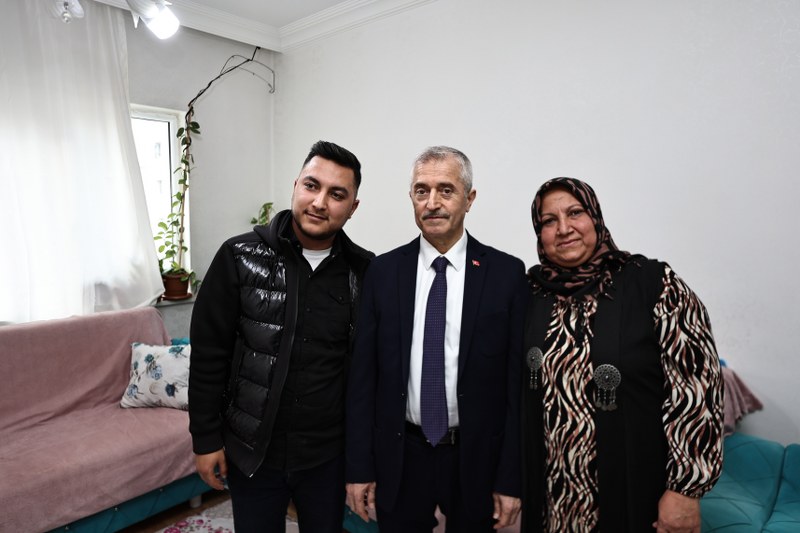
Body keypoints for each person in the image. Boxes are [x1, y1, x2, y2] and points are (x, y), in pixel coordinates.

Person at [188, 140, 373, 533]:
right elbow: (208, 356)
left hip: (327, 458)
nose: (319, 202)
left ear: (353, 207)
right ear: (295, 186)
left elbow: (369, 374)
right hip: (254, 453)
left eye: (336, 194)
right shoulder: (238, 257)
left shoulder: (365, 273)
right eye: (312, 185)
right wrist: (205, 438)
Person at [521, 177, 724, 533]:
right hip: (552, 497)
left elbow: (696, 388)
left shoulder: (654, 284)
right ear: (540, 233)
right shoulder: (529, 293)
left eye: (575, 213)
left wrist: (685, 490)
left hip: (638, 489)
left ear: (595, 217)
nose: (564, 228)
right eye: (549, 221)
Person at [345, 146, 528, 532]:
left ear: (469, 199)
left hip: (475, 455)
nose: (432, 203)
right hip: (401, 453)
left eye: (446, 190)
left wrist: (510, 478)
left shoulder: (506, 274)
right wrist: (359, 467)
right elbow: (363, 378)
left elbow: (516, 388)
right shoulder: (383, 272)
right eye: (421, 191)